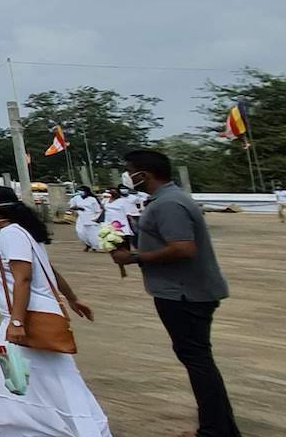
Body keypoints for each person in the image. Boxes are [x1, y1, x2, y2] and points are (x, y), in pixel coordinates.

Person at [0, 185, 108, 437]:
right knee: (9, 372)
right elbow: (48, 269)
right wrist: (73, 299)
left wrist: (17, 322)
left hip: (26, 315)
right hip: (25, 313)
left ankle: (78, 425)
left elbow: (23, 278)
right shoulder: (23, 232)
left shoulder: (12, 234)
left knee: (37, 372)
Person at [111, 149, 238, 437]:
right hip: (185, 291)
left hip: (184, 294)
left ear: (143, 174)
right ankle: (221, 427)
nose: (128, 176)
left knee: (197, 360)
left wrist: (134, 258)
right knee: (197, 358)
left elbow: (183, 248)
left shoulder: (168, 204)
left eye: (130, 171)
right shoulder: (166, 199)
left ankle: (214, 430)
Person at [101, 186, 137, 251]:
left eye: (114, 191)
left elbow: (127, 212)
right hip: (109, 222)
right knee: (111, 237)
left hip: (121, 222)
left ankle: (126, 250)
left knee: (123, 237)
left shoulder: (122, 201)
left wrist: (131, 220)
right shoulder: (106, 200)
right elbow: (103, 209)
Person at [70, 186, 102, 251]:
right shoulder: (76, 198)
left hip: (91, 218)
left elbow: (98, 210)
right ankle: (87, 244)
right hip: (81, 218)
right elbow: (72, 207)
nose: (81, 192)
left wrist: (96, 218)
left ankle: (95, 246)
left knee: (93, 234)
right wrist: (78, 208)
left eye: (82, 190)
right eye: (79, 190)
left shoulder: (92, 199)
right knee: (81, 232)